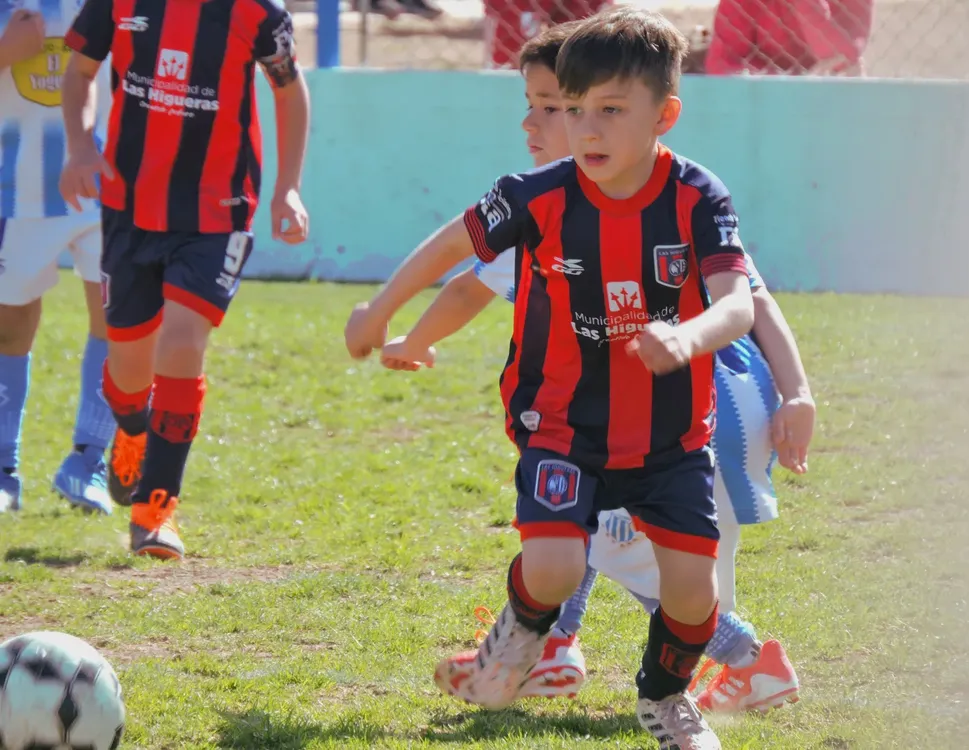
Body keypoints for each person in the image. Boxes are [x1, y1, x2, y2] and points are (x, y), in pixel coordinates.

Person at [346, 8, 758, 747]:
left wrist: (687, 335)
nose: (587, 129)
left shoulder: (699, 197)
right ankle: (516, 640)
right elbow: (452, 245)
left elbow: (736, 305)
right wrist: (380, 311)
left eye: (610, 110)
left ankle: (664, 699)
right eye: (574, 110)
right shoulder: (537, 194)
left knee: (695, 596)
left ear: (664, 115)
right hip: (562, 424)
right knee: (557, 563)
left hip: (671, 439)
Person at [59, 0, 311, 559]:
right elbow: (79, 72)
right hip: (128, 205)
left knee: (181, 343)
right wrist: (79, 147)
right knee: (128, 366)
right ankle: (130, 428)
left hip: (218, 211)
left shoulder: (257, 13)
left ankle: (156, 510)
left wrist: (286, 188)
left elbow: (289, 90)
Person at [0, 5, 117, 514]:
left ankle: (87, 464)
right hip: (16, 192)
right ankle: (4, 471)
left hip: (111, 186)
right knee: (8, 329)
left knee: (119, 321)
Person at [704, 0, 874, 76]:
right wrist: (793, 80)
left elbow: (842, 56)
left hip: (828, 97)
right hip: (767, 98)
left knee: (852, 74)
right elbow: (721, 62)